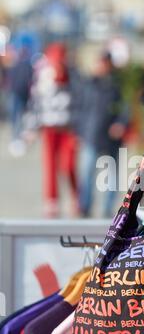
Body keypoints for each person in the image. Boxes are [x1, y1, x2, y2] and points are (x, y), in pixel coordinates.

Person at [29, 43, 79, 218]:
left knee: (69, 165)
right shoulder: (43, 78)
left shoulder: (73, 76)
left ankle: (75, 197)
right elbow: (35, 103)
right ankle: (52, 201)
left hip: (68, 128)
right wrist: (31, 128)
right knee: (50, 165)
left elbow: (80, 102)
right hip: (49, 127)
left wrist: (79, 128)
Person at [78, 51, 128, 218]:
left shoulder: (117, 85)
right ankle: (84, 206)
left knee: (112, 175)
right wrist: (80, 130)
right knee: (87, 172)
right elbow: (81, 108)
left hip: (111, 137)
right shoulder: (88, 84)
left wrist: (120, 123)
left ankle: (107, 208)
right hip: (91, 134)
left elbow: (125, 108)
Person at [6, 47, 33, 156]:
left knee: (17, 116)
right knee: (17, 116)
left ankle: (17, 137)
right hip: (18, 93)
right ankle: (16, 137)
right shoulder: (25, 66)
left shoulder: (20, 66)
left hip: (18, 93)